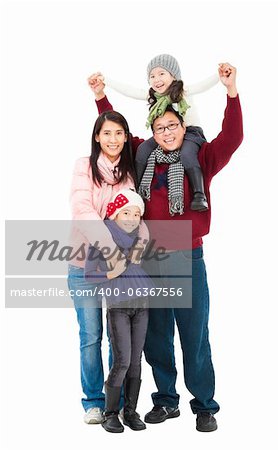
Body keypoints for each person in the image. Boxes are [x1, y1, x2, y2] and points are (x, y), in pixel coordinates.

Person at [89, 62, 243, 432]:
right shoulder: (144, 157)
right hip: (149, 259)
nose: (167, 132)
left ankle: (204, 405)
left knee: (194, 334)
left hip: (188, 255)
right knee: (156, 335)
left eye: (173, 126)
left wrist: (232, 92)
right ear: (153, 131)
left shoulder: (201, 159)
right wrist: (100, 99)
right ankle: (166, 401)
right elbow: (117, 134)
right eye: (160, 127)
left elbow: (233, 137)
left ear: (184, 127)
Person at [68, 111, 149, 425]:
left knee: (121, 337)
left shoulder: (128, 173)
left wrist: (140, 243)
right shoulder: (83, 167)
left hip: (122, 271)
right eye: (107, 133)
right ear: (97, 137)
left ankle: (118, 406)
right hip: (84, 264)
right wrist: (111, 250)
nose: (113, 139)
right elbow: (82, 209)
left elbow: (135, 215)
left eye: (119, 133)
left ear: (126, 137)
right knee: (91, 335)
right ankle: (93, 401)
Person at [88, 54, 219, 212]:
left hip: (190, 133)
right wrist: (106, 82)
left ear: (174, 76)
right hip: (164, 134)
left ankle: (199, 194)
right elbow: (130, 91)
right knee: (143, 150)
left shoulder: (182, 91)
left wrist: (220, 75)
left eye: (162, 74)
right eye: (152, 76)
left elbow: (202, 86)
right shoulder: (153, 96)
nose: (157, 79)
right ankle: (134, 188)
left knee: (186, 154)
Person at [84, 189, 154, 433]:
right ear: (114, 213)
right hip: (119, 308)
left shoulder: (139, 239)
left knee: (136, 361)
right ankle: (110, 412)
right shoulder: (103, 239)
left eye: (136, 214)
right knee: (122, 360)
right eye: (126, 212)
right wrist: (110, 273)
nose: (131, 218)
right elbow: (89, 274)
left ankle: (131, 411)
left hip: (142, 306)